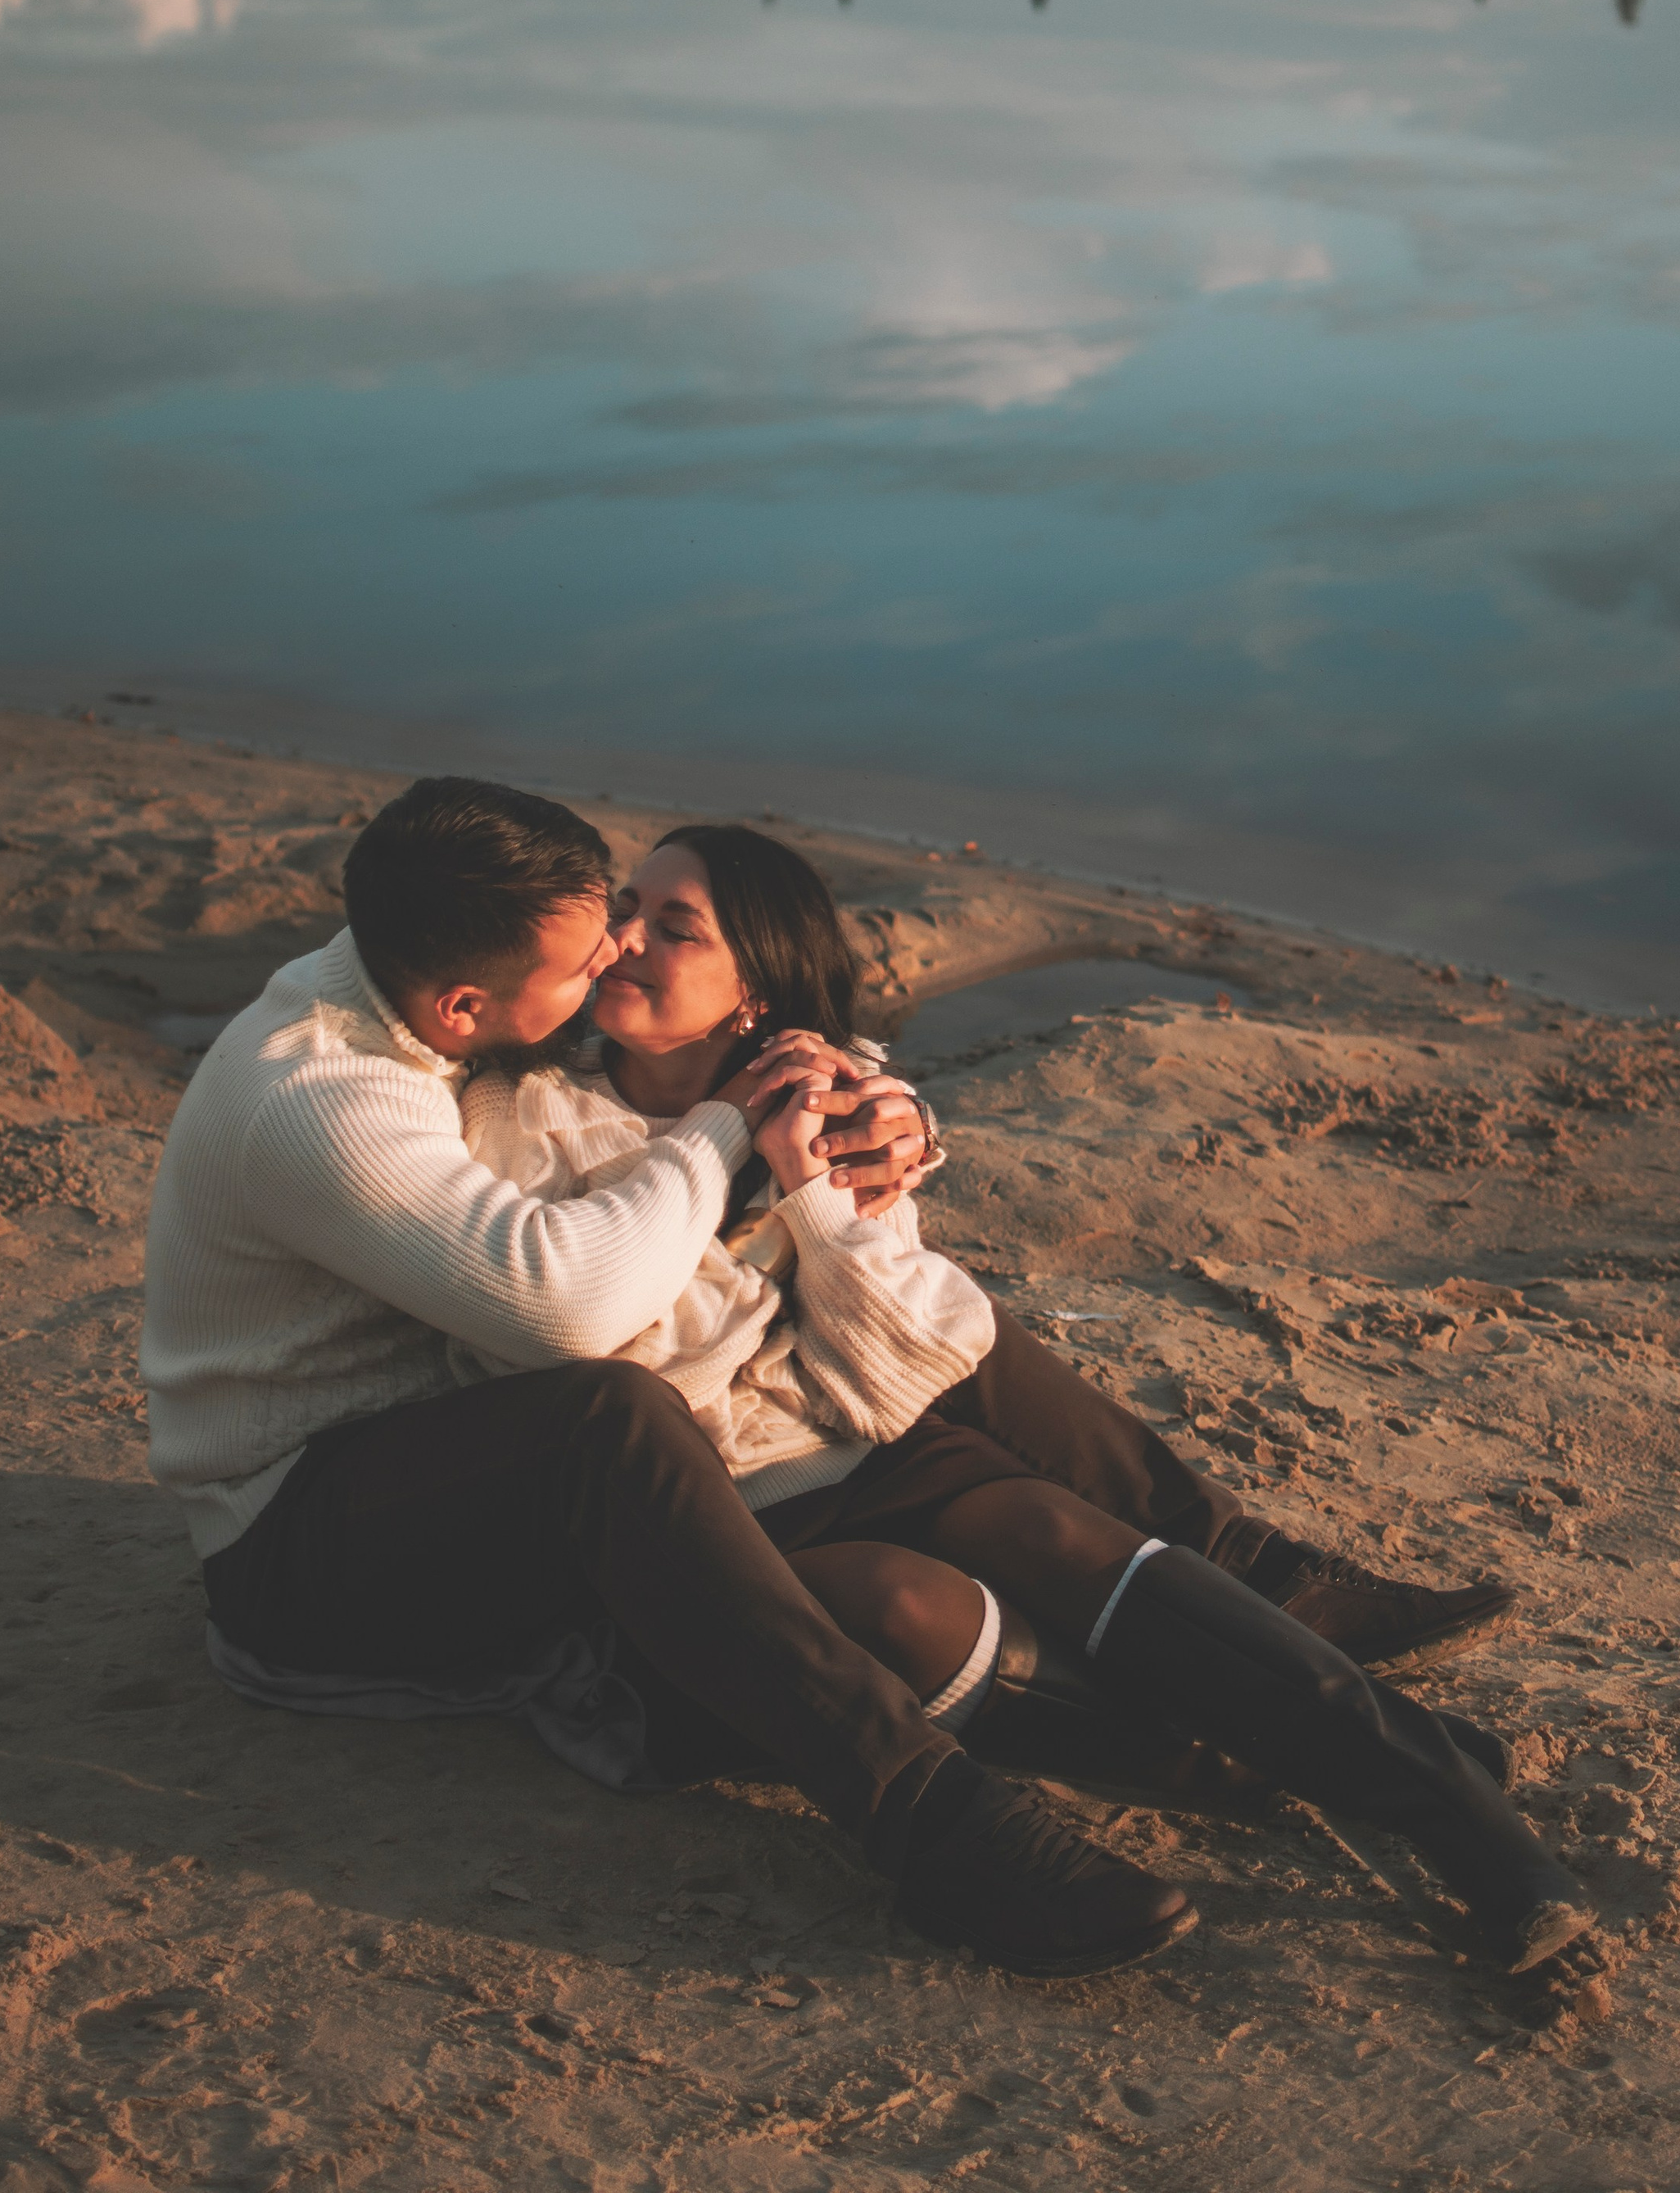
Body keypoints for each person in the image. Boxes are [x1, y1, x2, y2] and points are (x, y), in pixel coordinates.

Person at [455, 821, 1592, 1974]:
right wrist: (729, 1170)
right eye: (626, 908)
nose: (622, 939)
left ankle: (1473, 1830)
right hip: (689, 1509)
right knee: (905, 1604)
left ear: (752, 991)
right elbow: (611, 1348)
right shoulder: (520, 1114)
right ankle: (1262, 1752)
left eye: (672, 926)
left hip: (851, 1445)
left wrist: (811, 1185)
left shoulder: (831, 1103)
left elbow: (896, 1373)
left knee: (1054, 1529)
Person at [142, 776, 1192, 1979]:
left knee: (849, 1415)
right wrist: (726, 1124)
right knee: (610, 1417)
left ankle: (1209, 1585)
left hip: (451, 1465)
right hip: (299, 1550)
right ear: (467, 1002)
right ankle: (928, 1823)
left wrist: (873, 1108)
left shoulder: (426, 996)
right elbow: (566, 1305)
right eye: (587, 960)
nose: (616, 962)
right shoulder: (318, 1094)